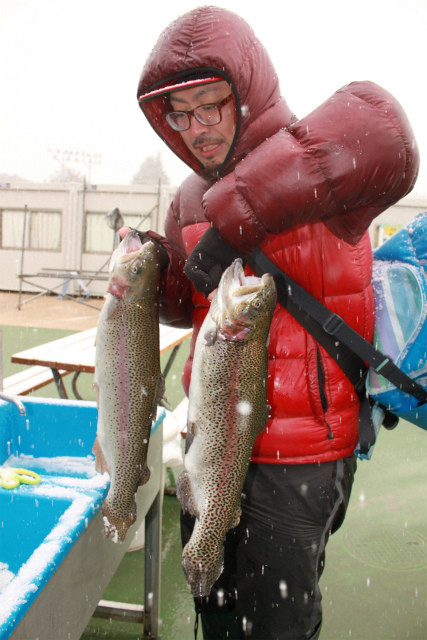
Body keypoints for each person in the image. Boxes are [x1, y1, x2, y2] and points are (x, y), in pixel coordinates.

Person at [130, 6, 419, 639]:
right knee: (216, 611)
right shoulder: (187, 198)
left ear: (247, 91)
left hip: (302, 454)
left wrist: (237, 209)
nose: (197, 128)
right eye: (179, 114)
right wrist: (151, 274)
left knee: (278, 624)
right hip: (212, 441)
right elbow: (190, 300)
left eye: (212, 104)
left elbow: (389, 133)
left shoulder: (315, 161)